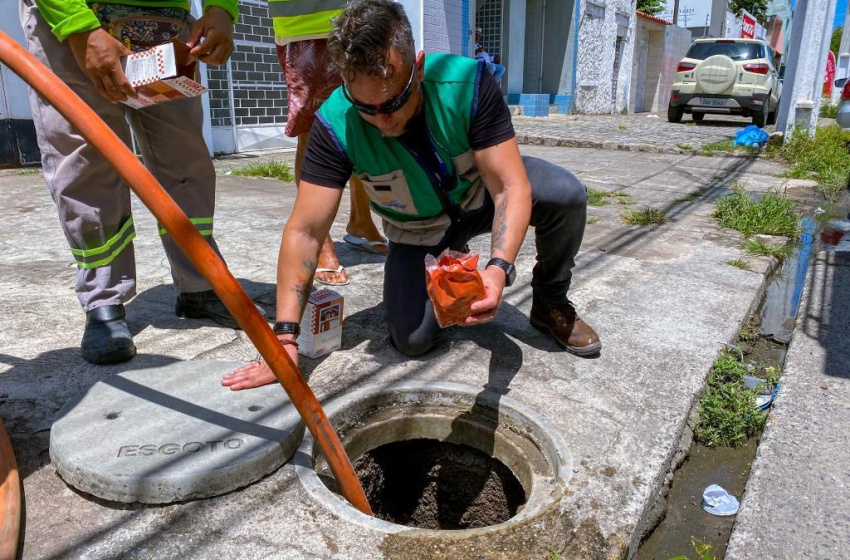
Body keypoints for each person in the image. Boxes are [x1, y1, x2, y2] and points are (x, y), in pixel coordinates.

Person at [222, 0, 600, 391]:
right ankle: (454, 270)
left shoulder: (466, 83)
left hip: (482, 196)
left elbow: (508, 187)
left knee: (564, 194)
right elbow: (305, 232)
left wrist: (498, 268)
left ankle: (550, 303)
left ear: (417, 68)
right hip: (419, 229)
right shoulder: (334, 125)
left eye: (394, 102)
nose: (383, 122)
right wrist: (284, 339)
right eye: (365, 107)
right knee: (412, 340)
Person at [21, 0, 263, 364]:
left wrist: (221, 9)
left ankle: (199, 283)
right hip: (76, 17)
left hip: (165, 23)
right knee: (88, 163)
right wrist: (77, 25)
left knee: (185, 163)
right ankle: (103, 298)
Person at [271, 0, 389, 286]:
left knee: (362, 119)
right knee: (314, 129)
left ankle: (361, 221)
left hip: (362, 21)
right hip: (307, 24)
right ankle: (318, 237)